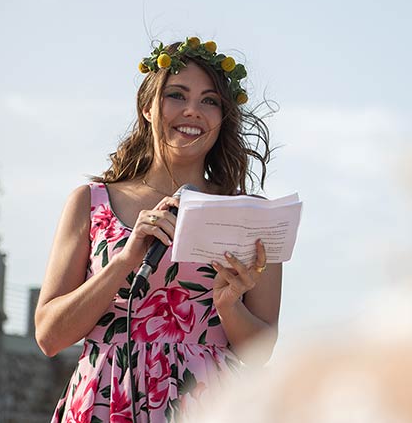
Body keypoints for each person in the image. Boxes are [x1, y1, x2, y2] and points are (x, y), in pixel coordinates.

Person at [34, 37, 282, 422]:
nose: (192, 111)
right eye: (177, 95)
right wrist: (124, 261)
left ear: (223, 117)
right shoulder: (90, 202)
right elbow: (49, 336)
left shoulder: (249, 217)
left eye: (210, 100)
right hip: (105, 396)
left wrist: (228, 305)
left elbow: (261, 351)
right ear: (147, 108)